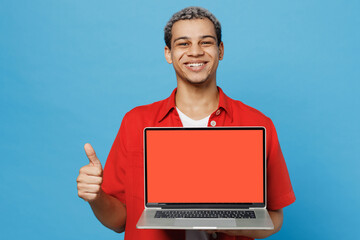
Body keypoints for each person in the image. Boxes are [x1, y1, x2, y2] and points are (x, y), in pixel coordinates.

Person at [76, 6, 295, 240]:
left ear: (220, 50)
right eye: (183, 43)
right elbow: (119, 221)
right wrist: (96, 197)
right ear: (168, 54)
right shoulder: (136, 122)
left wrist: (227, 224)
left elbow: (275, 217)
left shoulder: (257, 123)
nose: (195, 52)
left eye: (206, 42)